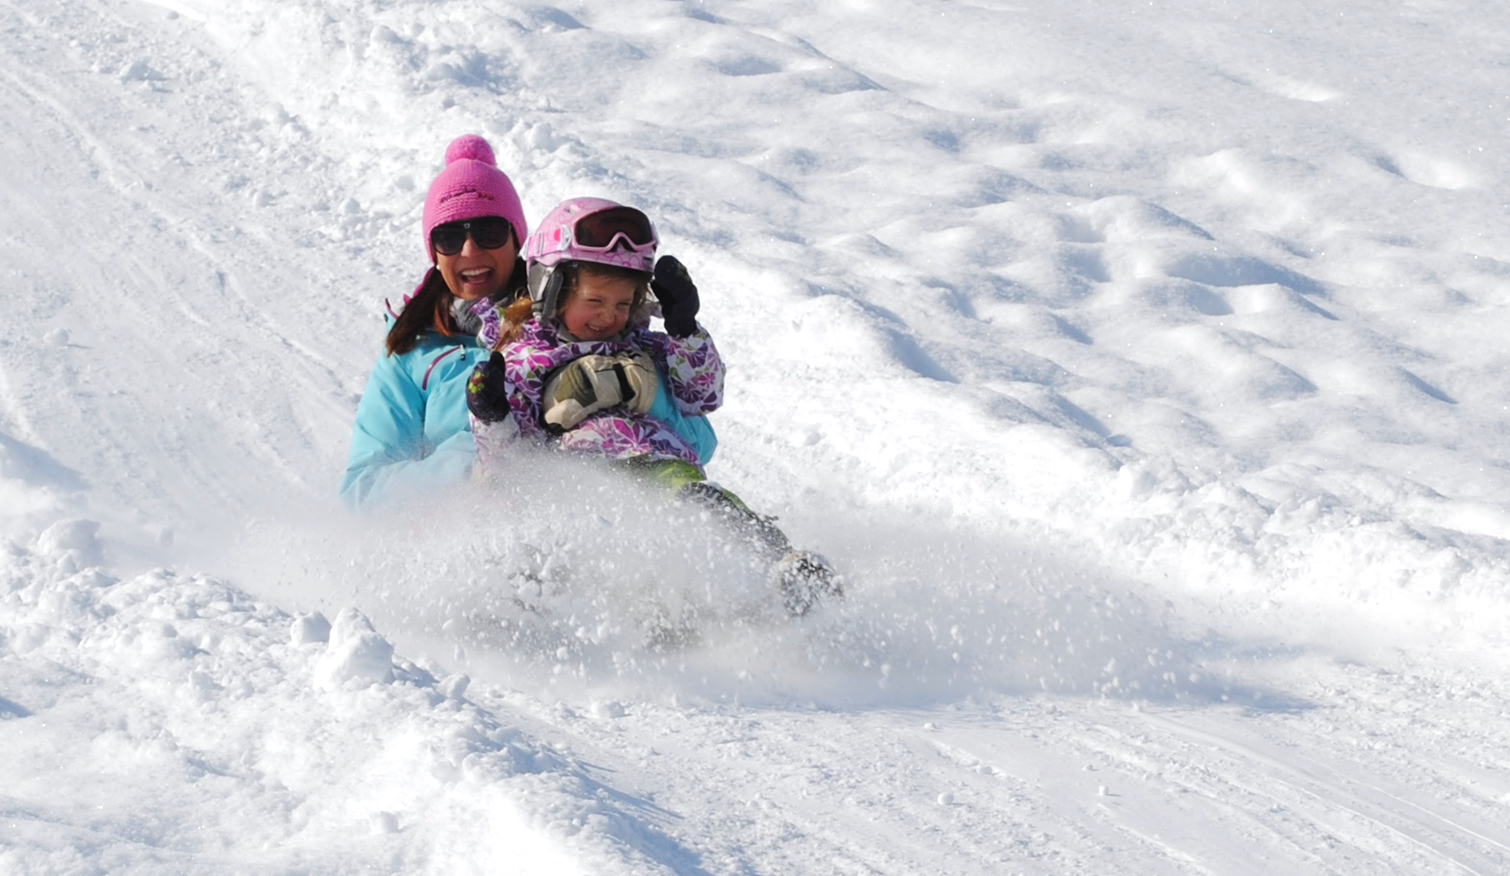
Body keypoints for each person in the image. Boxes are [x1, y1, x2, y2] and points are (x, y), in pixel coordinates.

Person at [466, 198, 840, 614]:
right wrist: (491, 416)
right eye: (595, 301)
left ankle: (782, 571)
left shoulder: (646, 345)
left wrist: (684, 329)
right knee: (573, 554)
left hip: (657, 463)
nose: (608, 316)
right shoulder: (526, 360)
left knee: (702, 504)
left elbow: (703, 395)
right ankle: (545, 613)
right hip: (577, 482)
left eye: (623, 304)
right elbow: (511, 467)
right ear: (550, 290)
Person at [340, 137, 715, 510]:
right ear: (434, 252)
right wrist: (476, 463)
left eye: (488, 232)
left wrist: (625, 389)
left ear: (516, 237)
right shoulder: (412, 352)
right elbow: (361, 494)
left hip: (623, 491)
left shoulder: (581, 313)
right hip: (493, 530)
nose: (470, 251)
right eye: (449, 238)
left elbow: (702, 439)